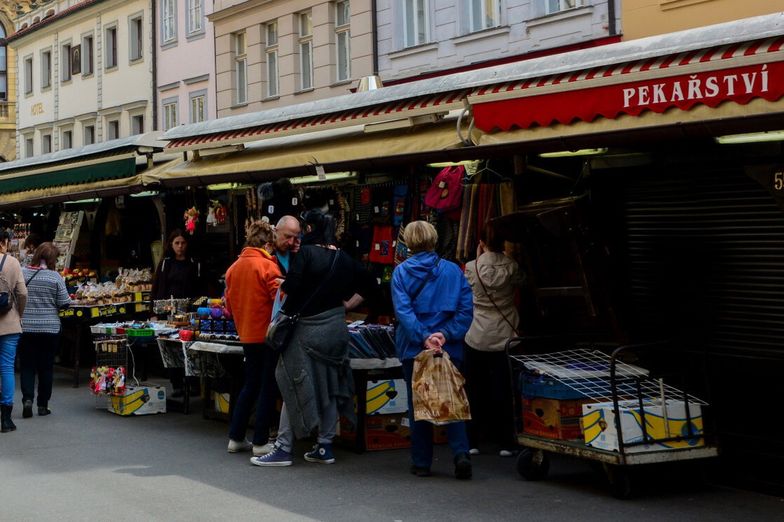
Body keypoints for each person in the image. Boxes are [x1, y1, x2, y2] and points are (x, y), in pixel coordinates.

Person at [251, 209, 376, 467]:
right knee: (331, 385)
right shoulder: (343, 257)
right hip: (337, 330)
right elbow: (371, 285)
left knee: (291, 381)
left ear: (309, 230)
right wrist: (346, 306)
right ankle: (325, 447)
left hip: (309, 331)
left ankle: (284, 448)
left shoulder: (306, 254)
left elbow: (291, 287)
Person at [391, 220, 474, 479]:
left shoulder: (401, 273)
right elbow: (465, 309)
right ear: (434, 238)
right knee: (452, 399)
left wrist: (425, 337)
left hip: (414, 348)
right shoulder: (453, 271)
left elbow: (403, 312)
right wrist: (445, 334)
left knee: (419, 405)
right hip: (450, 347)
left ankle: (422, 462)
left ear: (409, 242)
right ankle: (461, 454)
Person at [463, 224, 524, 457]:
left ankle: (473, 440)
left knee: (474, 388)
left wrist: (479, 258)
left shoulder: (471, 267)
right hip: (505, 334)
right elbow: (523, 282)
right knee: (504, 389)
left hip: (476, 333)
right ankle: (506, 442)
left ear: (481, 242)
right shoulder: (512, 266)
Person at [224, 221, 282, 457]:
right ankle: (260, 442)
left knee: (250, 385)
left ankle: (236, 437)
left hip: (246, 334)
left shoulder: (233, 268)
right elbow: (279, 301)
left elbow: (227, 307)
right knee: (268, 386)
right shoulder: (268, 267)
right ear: (268, 244)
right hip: (267, 335)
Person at [19, 243, 71, 418]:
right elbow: (64, 302)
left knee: (27, 366)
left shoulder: (23, 272)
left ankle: (27, 399)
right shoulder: (55, 277)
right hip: (49, 328)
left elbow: (15, 294)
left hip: (25, 327)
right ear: (52, 259)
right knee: (46, 367)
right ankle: (43, 405)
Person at [151, 230, 201, 396]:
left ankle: (193, 382)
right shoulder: (166, 263)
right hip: (169, 313)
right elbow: (157, 287)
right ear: (171, 245)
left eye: (183, 243)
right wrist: (154, 312)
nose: (180, 247)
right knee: (172, 348)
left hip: (189, 313)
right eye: (177, 243)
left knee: (190, 347)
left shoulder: (193, 263)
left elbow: (199, 286)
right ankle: (177, 384)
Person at [0, 229, 28, 433]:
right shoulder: (12, 262)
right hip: (9, 322)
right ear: (3, 242)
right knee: (7, 368)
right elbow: (22, 293)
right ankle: (6, 418)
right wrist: (20, 313)